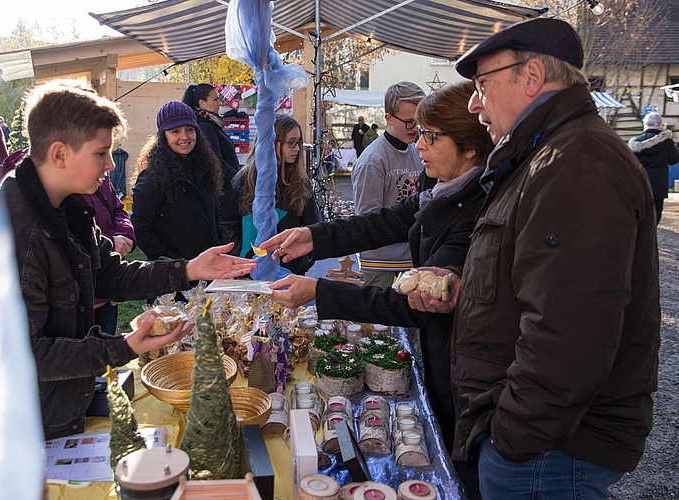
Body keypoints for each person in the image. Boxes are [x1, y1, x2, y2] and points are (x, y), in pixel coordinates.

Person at [443, 18, 659, 499]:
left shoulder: (575, 160)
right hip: (543, 443)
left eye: (483, 83)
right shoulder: (549, 155)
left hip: (548, 452)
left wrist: (510, 434)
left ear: (533, 76)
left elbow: (571, 330)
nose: (475, 102)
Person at [261, 82, 494, 499]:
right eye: (417, 130)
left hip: (465, 375)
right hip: (446, 360)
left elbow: (416, 309)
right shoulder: (442, 188)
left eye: (430, 135)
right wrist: (313, 237)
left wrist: (319, 291)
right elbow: (384, 221)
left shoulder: (475, 209)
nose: (417, 143)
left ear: (471, 147)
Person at [0, 80, 257, 439]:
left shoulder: (69, 208)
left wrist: (191, 268)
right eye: (101, 153)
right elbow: (28, 353)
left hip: (63, 407)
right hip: (21, 427)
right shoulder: (12, 230)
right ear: (59, 154)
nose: (109, 165)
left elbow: (110, 276)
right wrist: (123, 347)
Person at [220, 114, 320, 276]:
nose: (297, 148)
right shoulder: (244, 181)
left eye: (298, 143)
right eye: (291, 142)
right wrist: (240, 259)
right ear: (272, 143)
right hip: (249, 275)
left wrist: (301, 265)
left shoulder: (301, 183)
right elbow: (228, 225)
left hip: (289, 274)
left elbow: (313, 229)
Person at [351, 82, 427, 289]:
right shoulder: (372, 161)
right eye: (409, 122)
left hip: (412, 257)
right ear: (389, 118)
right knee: (379, 322)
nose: (415, 128)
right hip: (381, 262)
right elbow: (368, 220)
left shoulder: (416, 150)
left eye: (419, 121)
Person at [131, 101, 224, 263]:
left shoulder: (206, 168)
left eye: (190, 129)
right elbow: (141, 230)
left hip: (208, 270)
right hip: (172, 276)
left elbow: (214, 215)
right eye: (175, 131)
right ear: (163, 136)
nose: (185, 136)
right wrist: (178, 265)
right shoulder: (151, 177)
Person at [83, 175, 137, 334]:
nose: (110, 164)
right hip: (79, 296)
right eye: (100, 153)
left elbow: (118, 210)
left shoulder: (101, 175)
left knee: (107, 346)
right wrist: (110, 244)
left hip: (109, 285)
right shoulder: (53, 181)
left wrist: (125, 236)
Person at [182, 83, 240, 215]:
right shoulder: (205, 126)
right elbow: (216, 161)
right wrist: (239, 179)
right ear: (202, 103)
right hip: (222, 192)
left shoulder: (211, 123)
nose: (219, 103)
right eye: (215, 99)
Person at [628, 112, 679, 224]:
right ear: (660, 124)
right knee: (657, 209)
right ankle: (652, 235)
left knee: (642, 208)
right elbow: (673, 159)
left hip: (641, 180)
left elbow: (631, 164)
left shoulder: (637, 142)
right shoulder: (667, 142)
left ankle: (641, 236)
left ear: (645, 124)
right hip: (659, 180)